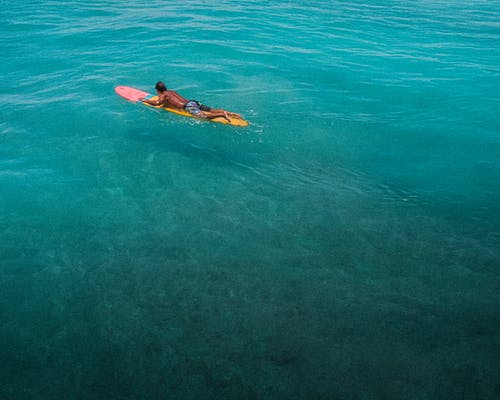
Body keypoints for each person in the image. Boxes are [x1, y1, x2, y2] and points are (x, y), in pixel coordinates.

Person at [142, 81, 241, 122]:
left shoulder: (164, 95)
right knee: (211, 109)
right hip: (193, 102)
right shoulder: (171, 92)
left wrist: (146, 101)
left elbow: (158, 103)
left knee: (203, 116)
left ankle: (222, 115)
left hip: (188, 107)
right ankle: (230, 113)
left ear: (158, 90)